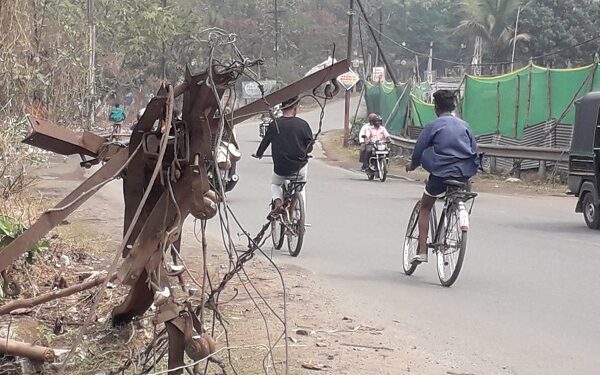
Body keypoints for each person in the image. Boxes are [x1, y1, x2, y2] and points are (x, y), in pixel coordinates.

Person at [405, 90, 478, 264]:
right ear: (454, 105)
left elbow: (419, 150)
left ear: (436, 107)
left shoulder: (434, 125)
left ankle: (422, 251)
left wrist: (412, 165)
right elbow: (474, 150)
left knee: (425, 207)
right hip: (463, 174)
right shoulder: (465, 126)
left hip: (440, 175)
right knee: (454, 195)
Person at [253, 96, 313, 216]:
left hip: (280, 168)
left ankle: (278, 202)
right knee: (301, 189)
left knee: (275, 184)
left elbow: (265, 142)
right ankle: (302, 215)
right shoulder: (303, 124)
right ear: (295, 109)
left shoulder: (274, 124)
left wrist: (259, 154)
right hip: (299, 167)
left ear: (282, 109)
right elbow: (309, 146)